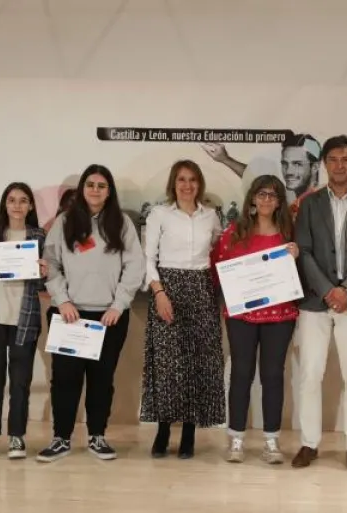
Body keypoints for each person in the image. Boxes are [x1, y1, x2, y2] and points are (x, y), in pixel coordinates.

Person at [37, 164, 145, 462]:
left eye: (101, 185)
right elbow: (50, 263)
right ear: (82, 189)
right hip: (69, 315)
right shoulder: (65, 222)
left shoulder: (121, 223)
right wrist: (62, 301)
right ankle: (61, 438)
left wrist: (118, 305)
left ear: (109, 192)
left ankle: (98, 436)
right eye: (90, 184)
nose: (95, 190)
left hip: (109, 318)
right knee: (64, 380)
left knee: (101, 380)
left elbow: (134, 266)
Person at [291, 135, 347, 472]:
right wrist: (329, 290)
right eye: (333, 159)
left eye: (345, 159)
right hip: (316, 301)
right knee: (310, 375)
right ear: (324, 164)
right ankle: (309, 443)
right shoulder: (309, 204)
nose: (339, 165)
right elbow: (304, 250)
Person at [139, 160, 226, 459]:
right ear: (173, 184)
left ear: (199, 184)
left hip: (201, 289)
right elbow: (148, 258)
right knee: (167, 365)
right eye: (181, 180)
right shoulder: (159, 214)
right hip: (167, 288)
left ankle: (189, 433)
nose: (187, 185)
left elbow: (220, 250)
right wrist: (159, 292)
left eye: (192, 179)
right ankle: (163, 430)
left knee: (197, 362)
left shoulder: (211, 216)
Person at [211, 175, 299, 464]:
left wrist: (296, 257)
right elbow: (218, 269)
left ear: (280, 201)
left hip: (280, 314)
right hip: (242, 316)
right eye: (262, 194)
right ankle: (236, 439)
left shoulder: (290, 234)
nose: (266, 200)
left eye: (273, 195)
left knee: (273, 375)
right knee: (241, 373)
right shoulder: (234, 233)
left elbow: (302, 275)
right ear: (252, 198)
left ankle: (271, 441)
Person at [0, 182, 49, 460]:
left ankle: (17, 437)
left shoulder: (38, 236)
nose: (17, 205)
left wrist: (44, 273)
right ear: (5, 203)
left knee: (20, 382)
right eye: (12, 200)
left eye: (23, 200)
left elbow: (43, 284)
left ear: (30, 206)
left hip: (24, 319)